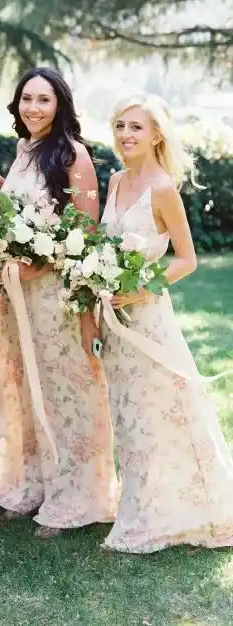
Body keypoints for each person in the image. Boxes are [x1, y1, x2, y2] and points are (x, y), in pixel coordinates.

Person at [100, 94, 233, 553]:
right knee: (129, 414)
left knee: (162, 411)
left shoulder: (162, 188)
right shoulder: (115, 180)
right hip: (114, 318)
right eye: (120, 126)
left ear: (157, 134)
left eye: (136, 127)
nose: (126, 135)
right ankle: (140, 504)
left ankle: (184, 509)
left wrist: (142, 287)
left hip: (149, 317)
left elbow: (188, 259)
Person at [0, 67, 118, 537]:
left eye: (43, 100)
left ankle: (74, 496)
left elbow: (85, 230)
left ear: (59, 105)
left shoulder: (73, 155)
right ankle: (35, 484)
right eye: (26, 99)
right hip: (15, 294)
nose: (33, 108)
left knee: (65, 392)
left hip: (55, 295)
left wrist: (37, 265)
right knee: (25, 390)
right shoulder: (23, 153)